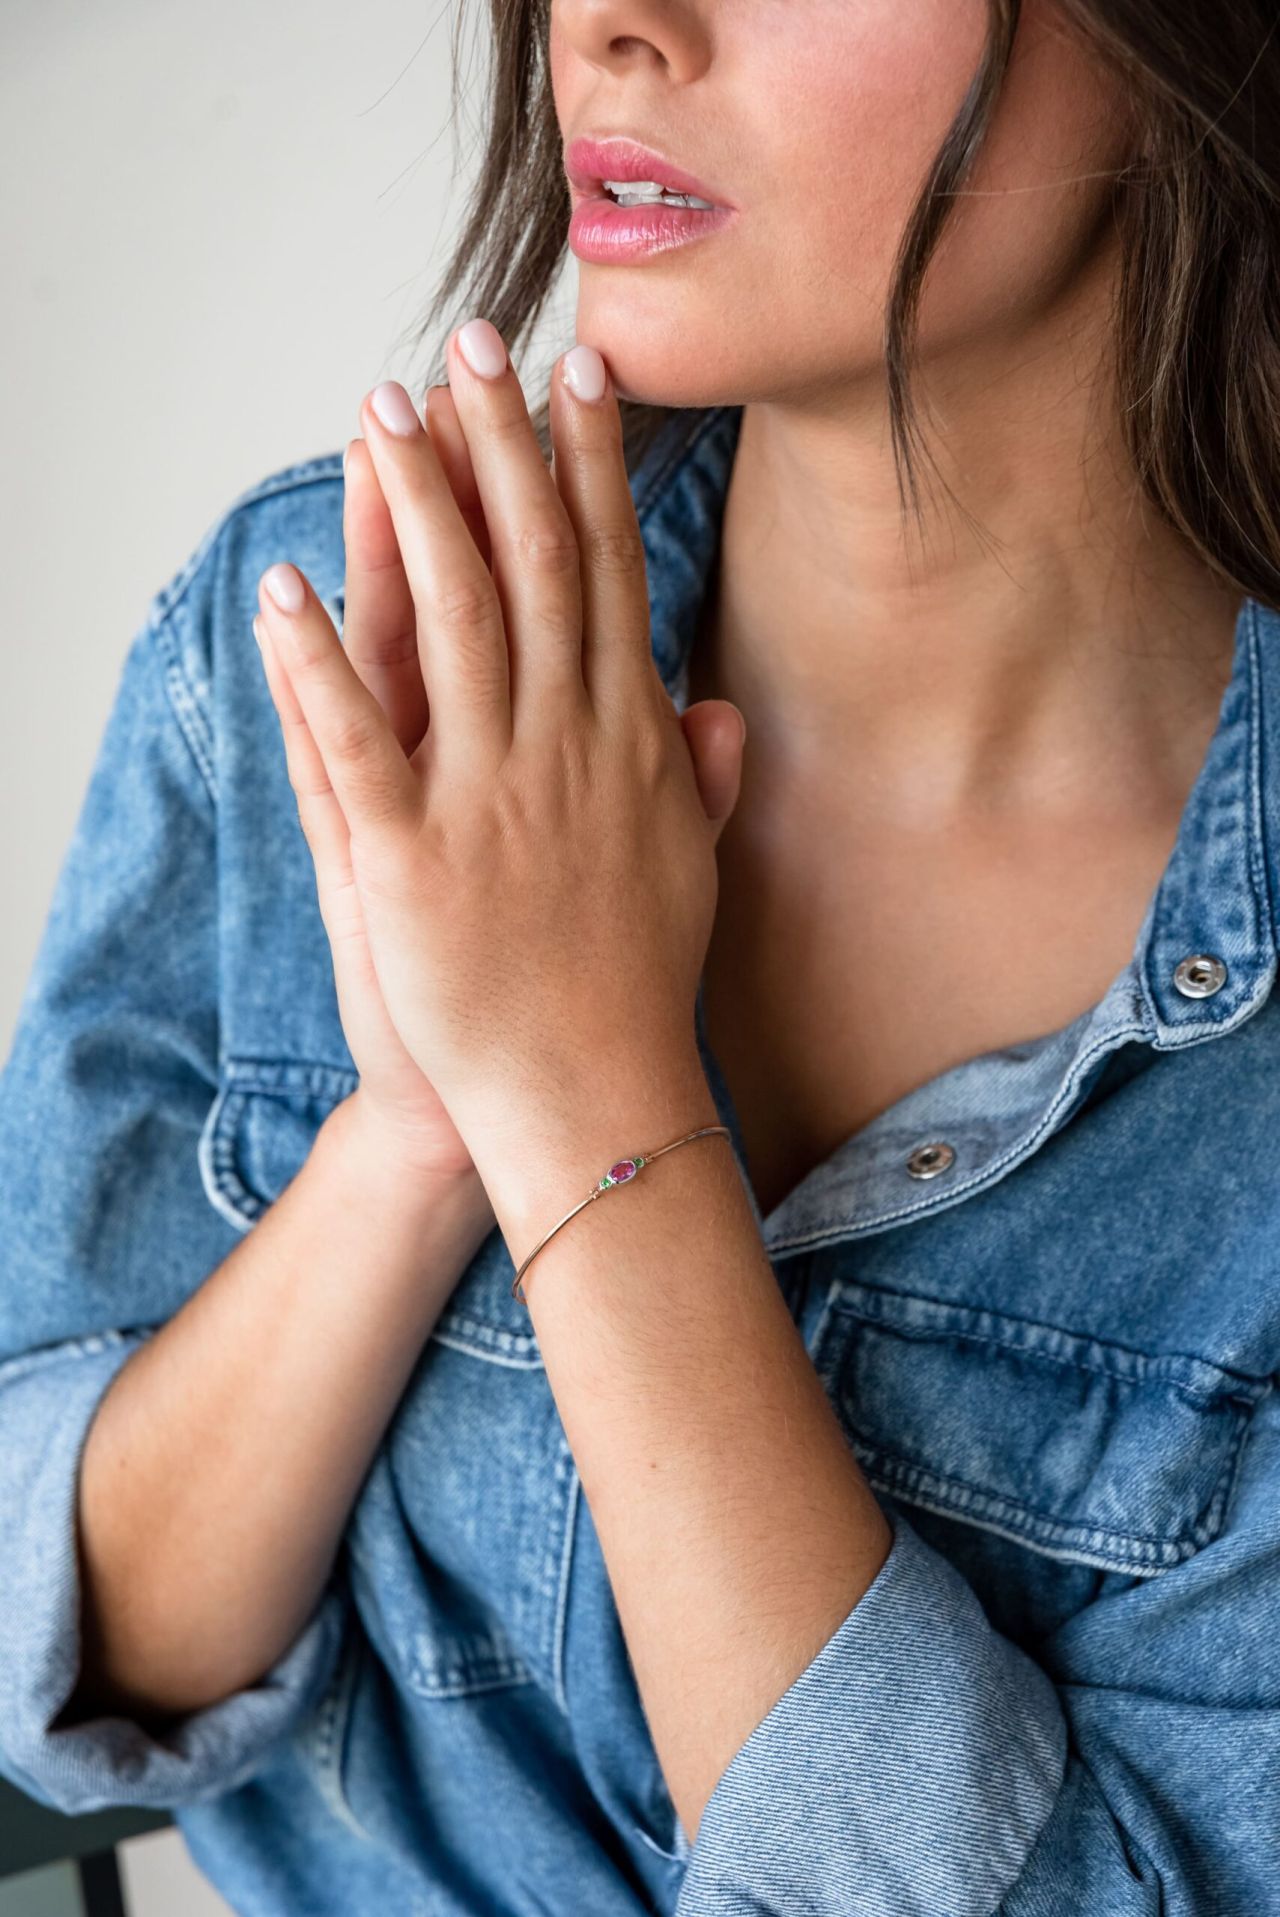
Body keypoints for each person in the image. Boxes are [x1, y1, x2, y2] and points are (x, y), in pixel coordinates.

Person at [1, 0, 1277, 1910]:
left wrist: (588, 1093)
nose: (609, 21)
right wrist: (425, 1127)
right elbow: (69, 1647)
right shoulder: (335, 650)